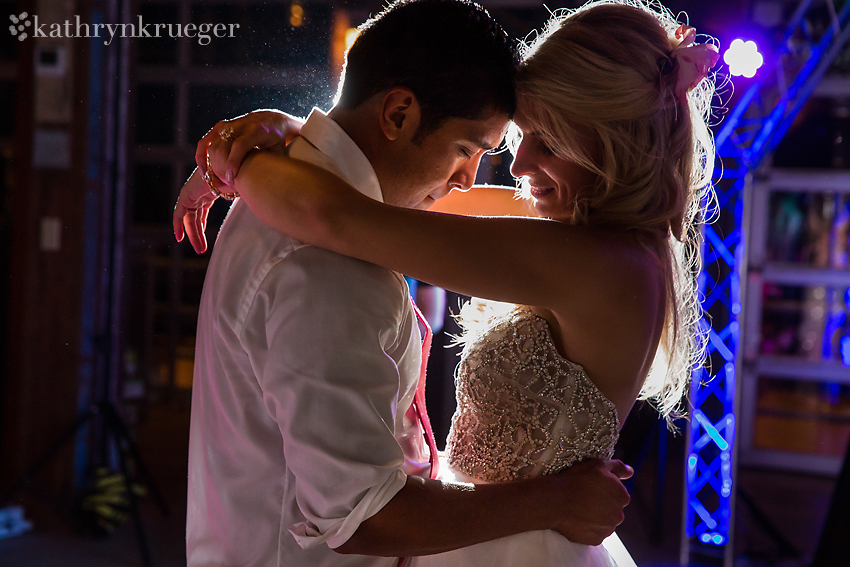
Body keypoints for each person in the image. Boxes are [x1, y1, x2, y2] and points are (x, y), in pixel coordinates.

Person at [175, 1, 636, 566]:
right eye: (467, 149)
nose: (470, 179)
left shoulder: (295, 195)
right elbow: (363, 516)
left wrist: (267, 146)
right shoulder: (329, 264)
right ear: (397, 114)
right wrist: (555, 500)